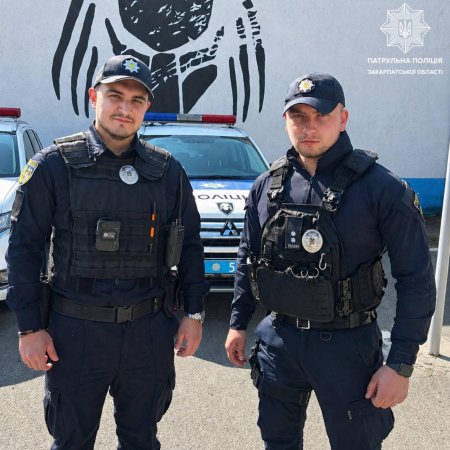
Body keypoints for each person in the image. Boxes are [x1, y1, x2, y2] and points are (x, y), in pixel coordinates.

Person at [7, 54, 209, 450]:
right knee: (72, 441)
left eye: (136, 100)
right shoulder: (54, 165)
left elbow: (190, 245)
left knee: (142, 439)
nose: (124, 108)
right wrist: (29, 328)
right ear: (93, 97)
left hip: (149, 332)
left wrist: (194, 313)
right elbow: (24, 249)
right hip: (75, 332)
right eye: (115, 95)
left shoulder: (167, 172)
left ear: (147, 107)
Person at [225, 72, 436, 450]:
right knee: (277, 440)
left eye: (321, 116)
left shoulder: (381, 188)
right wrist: (238, 323)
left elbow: (416, 278)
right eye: (298, 116)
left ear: (343, 118)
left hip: (347, 346)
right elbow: (247, 258)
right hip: (279, 340)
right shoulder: (266, 185)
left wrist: (400, 364)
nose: (309, 127)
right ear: (285, 120)